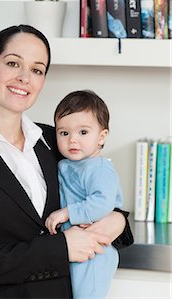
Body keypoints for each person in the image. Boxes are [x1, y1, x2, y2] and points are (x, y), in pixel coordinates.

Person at [0, 24, 133, 298]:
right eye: (13, 63)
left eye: (37, 69)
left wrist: (118, 221)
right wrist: (61, 249)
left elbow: (97, 196)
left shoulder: (55, 139)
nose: (24, 77)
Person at [45, 90, 123, 299]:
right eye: (64, 133)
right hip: (75, 247)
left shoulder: (98, 168)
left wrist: (67, 213)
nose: (72, 140)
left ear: (102, 136)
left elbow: (103, 203)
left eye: (83, 132)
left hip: (95, 254)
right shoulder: (68, 165)